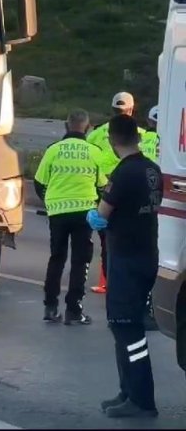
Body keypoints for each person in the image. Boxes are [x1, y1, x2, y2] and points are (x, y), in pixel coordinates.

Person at [87, 115, 161, 419]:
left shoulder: (123, 172)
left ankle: (141, 399)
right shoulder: (152, 169)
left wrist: (92, 217)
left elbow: (102, 213)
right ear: (138, 137)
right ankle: (128, 390)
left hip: (126, 258)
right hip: (146, 255)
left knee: (125, 327)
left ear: (113, 140)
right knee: (126, 325)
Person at [34, 109, 105, 325]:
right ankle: (74, 310)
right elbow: (103, 185)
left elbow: (39, 182)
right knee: (80, 261)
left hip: (57, 212)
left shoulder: (53, 150)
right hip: (84, 212)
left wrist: (49, 202)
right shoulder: (94, 151)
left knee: (56, 258)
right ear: (88, 127)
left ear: (66, 126)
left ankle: (50, 307)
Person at [86, 92, 145, 293]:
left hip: (104, 192)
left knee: (108, 242)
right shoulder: (143, 135)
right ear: (131, 109)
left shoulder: (96, 134)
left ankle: (109, 281)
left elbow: (88, 162)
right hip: (137, 194)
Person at [140, 105, 160, 332]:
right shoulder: (170, 142)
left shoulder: (142, 140)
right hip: (159, 203)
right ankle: (148, 309)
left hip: (139, 204)